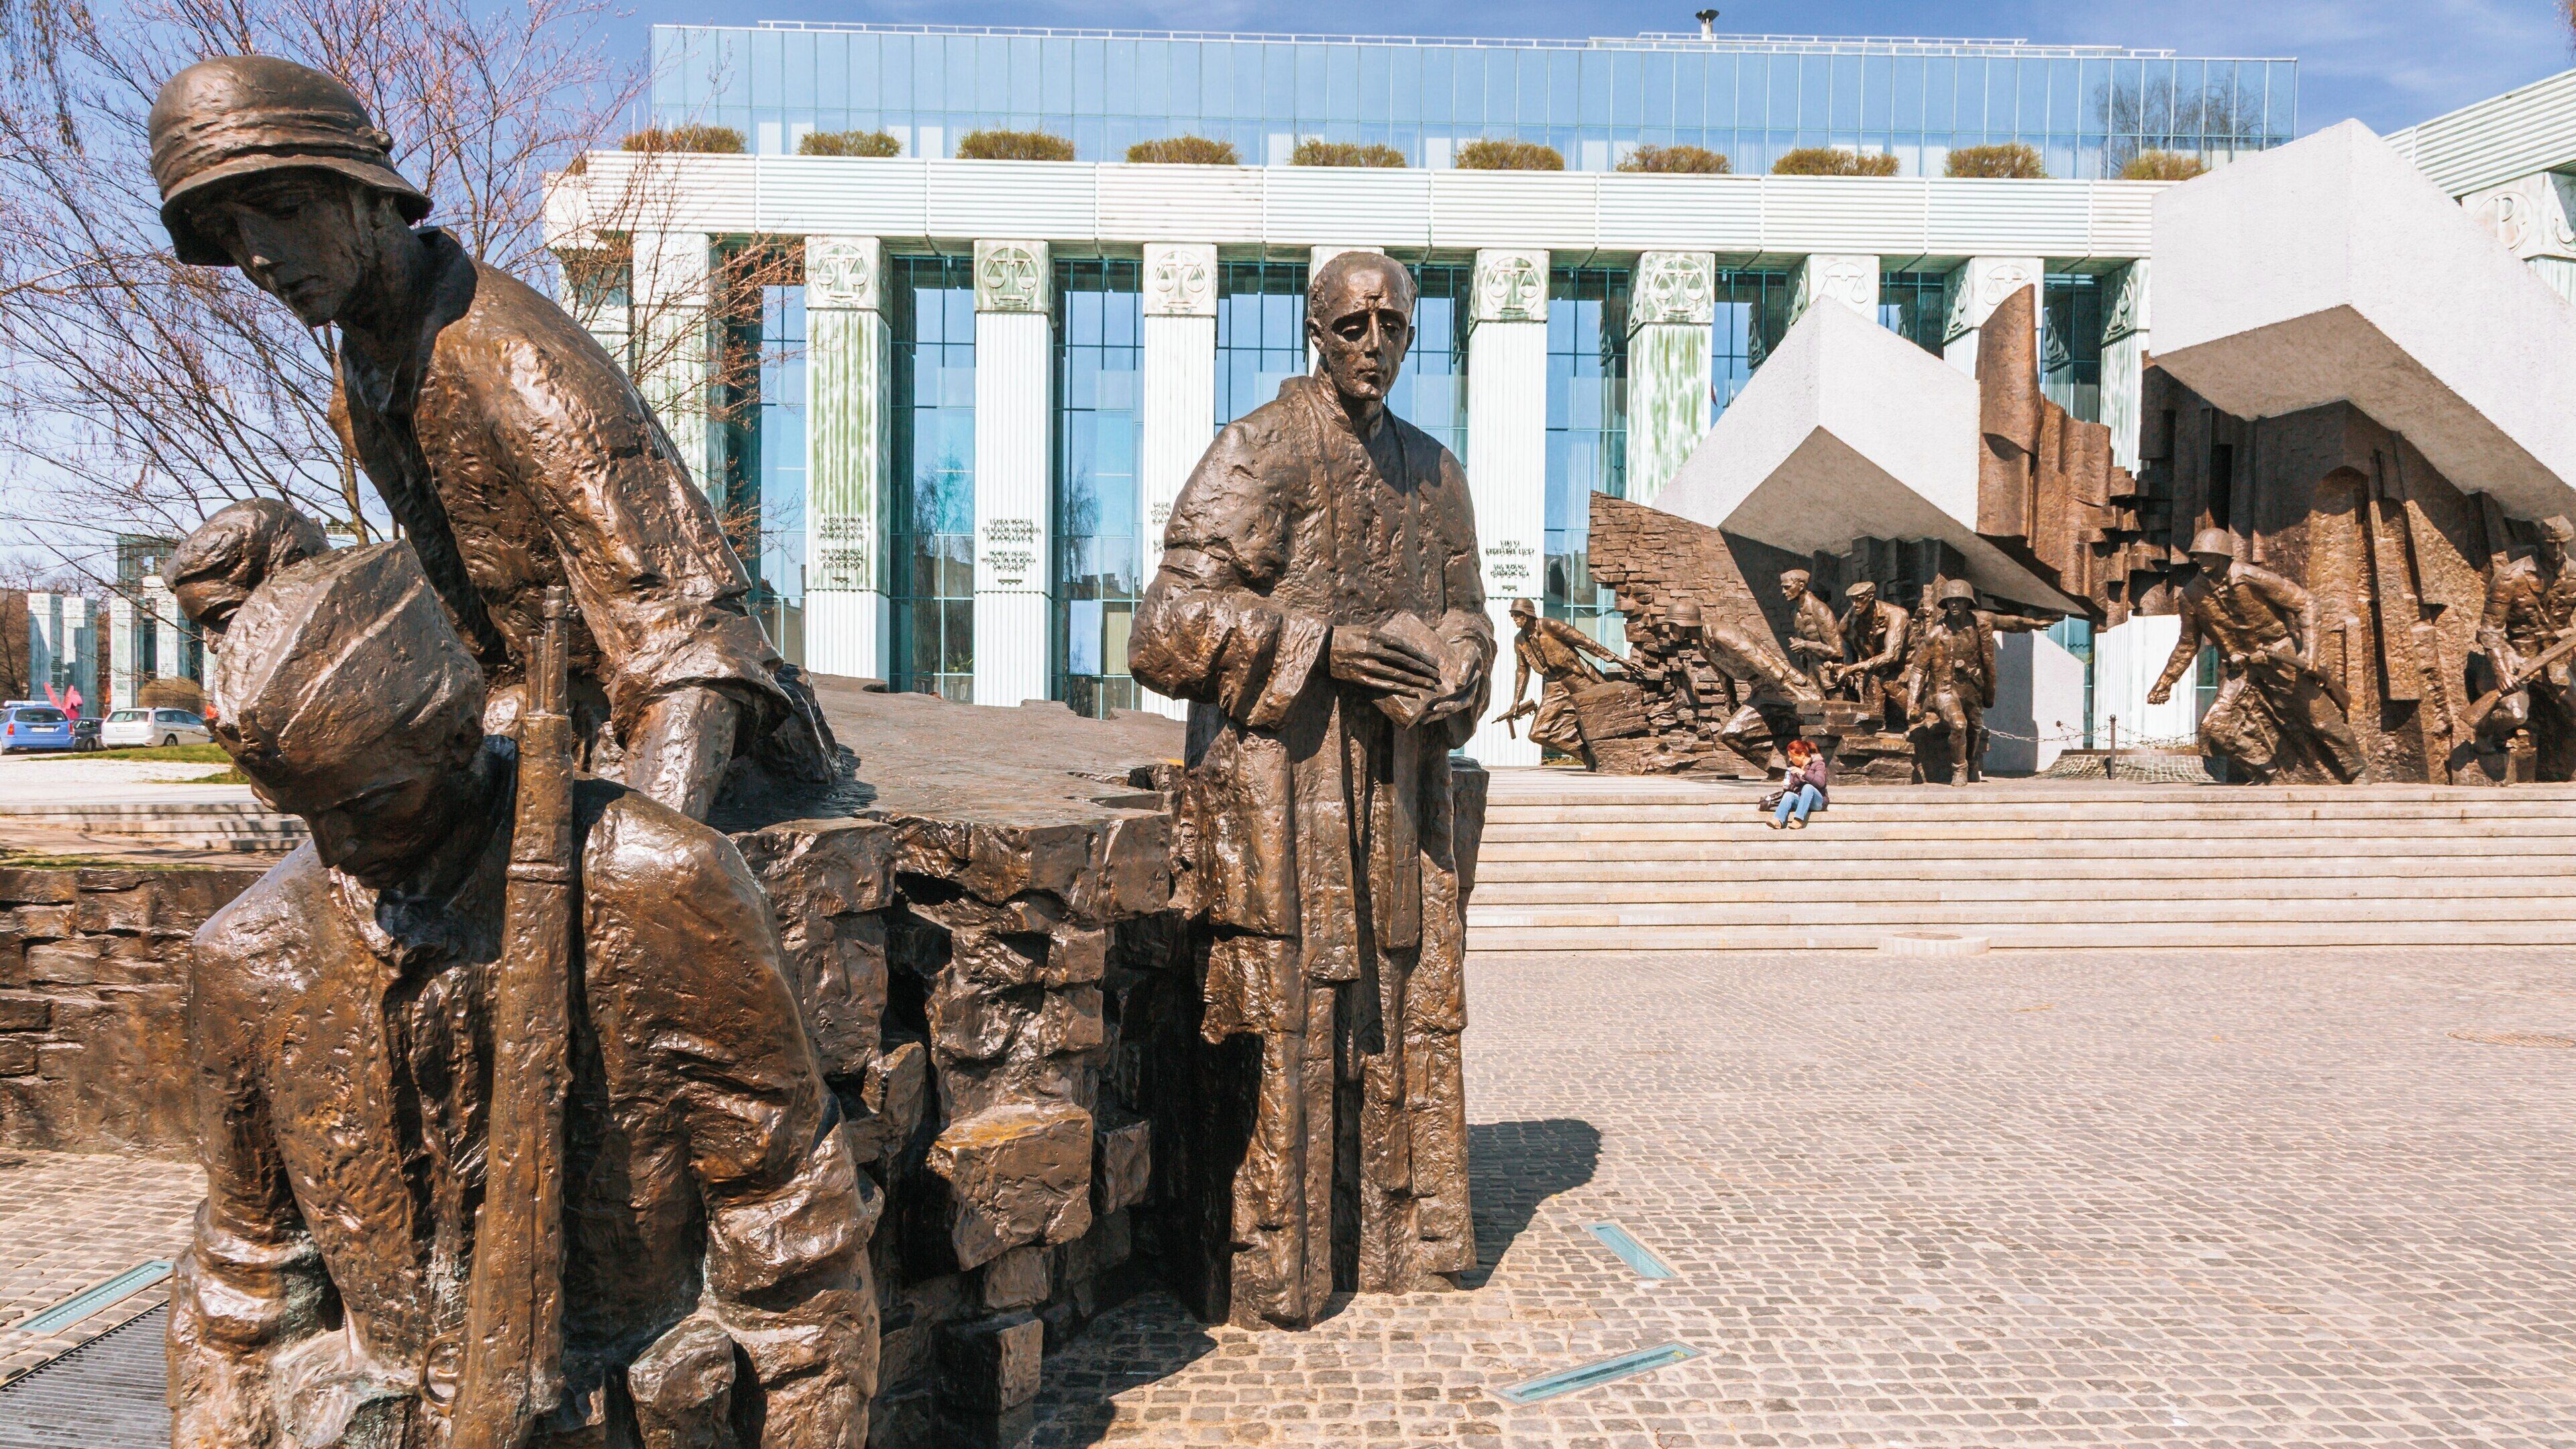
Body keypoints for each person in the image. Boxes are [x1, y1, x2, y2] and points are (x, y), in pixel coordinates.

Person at [171, 539, 874, 1447]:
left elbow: (788, 1231)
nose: (336, 847)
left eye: (368, 804)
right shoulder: (248, 954)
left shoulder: (661, 885)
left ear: (457, 736)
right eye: (308, 814)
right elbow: (247, 1280)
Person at [148, 55, 832, 820]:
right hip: (538, 726)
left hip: (685, 748)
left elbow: (698, 644)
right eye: (230, 232)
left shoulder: (506, 357)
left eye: (281, 208)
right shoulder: (365, 382)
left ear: (368, 195)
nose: (259, 257)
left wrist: (653, 860)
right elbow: (478, 642)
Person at [1128, 250, 1490, 1330]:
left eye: (1394, 325)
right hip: (1282, 792)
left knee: (1398, 1006)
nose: (1373, 342)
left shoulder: (1436, 469)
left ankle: (1400, 1239)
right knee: (1289, 1014)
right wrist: (1318, 647)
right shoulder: (1259, 450)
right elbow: (1163, 628)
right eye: (1352, 324)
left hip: (1401, 794)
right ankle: (1279, 1266)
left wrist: (1465, 660)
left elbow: (1473, 610)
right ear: (1314, 331)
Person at [2149, 528, 2367, 784]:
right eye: (2199, 556)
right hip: (2240, 668)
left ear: (2224, 556)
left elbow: (2306, 603)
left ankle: (2358, 770)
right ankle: (2271, 774)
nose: (2202, 561)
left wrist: (2310, 652)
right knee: (2214, 728)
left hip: (2279, 656)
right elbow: (2187, 644)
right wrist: (2166, 682)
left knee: (2321, 721)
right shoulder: (2191, 596)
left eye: (2209, 556)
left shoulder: (2250, 576)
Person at [2474, 515, 2576, 767]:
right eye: (2550, 543)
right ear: (2540, 542)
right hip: (2516, 658)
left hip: (2556, 658)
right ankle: (2484, 732)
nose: (2556, 550)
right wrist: (2501, 671)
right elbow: (2490, 631)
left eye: (2562, 544)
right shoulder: (2510, 578)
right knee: (2514, 714)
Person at [1493, 596, 1623, 759]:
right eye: (1512, 615)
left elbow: (1584, 642)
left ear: (1527, 615)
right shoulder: (1519, 640)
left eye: (1517, 614)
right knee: (1537, 733)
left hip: (1576, 678)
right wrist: (1516, 702)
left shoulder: (1549, 625)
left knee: (1603, 715)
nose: (1514, 618)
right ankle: (1590, 757)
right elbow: (1522, 672)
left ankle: (1609, 751)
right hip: (1554, 685)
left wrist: (1616, 659)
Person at [1905, 580, 1997, 783]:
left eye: (1959, 600)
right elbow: (1919, 669)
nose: (1954, 605)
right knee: (1958, 724)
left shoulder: (1979, 628)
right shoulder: (1936, 634)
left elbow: (1989, 661)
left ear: (1967, 603)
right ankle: (1959, 769)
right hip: (1944, 691)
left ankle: (1971, 764)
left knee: (1974, 729)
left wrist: (1989, 693)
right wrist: (1914, 703)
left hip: (1973, 690)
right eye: (1950, 601)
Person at [1837, 579, 1913, 730]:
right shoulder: (1851, 618)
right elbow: (1844, 636)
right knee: (1872, 712)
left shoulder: (1897, 615)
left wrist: (1853, 668)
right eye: (1852, 600)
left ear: (1871, 597)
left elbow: (1892, 656)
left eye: (1860, 599)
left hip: (1904, 666)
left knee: (1889, 683)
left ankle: (1917, 720)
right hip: (1875, 669)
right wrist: (1846, 668)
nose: (1855, 604)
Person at [1779, 570, 1844, 682]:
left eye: (1787, 587)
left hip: (1830, 677)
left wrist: (1805, 644)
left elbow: (1837, 651)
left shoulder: (1819, 609)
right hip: (1812, 674)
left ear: (1801, 586)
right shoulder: (1795, 612)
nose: (1783, 592)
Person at [1770, 737, 1830, 830]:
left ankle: (1798, 820)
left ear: (1802, 755)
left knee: (1808, 787)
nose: (1790, 760)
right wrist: (1788, 786)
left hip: (1818, 802)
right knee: (1789, 795)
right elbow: (1792, 790)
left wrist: (1804, 773)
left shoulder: (1818, 764)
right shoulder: (1794, 768)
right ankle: (1778, 821)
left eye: (1792, 757)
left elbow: (1821, 783)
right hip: (1802, 800)